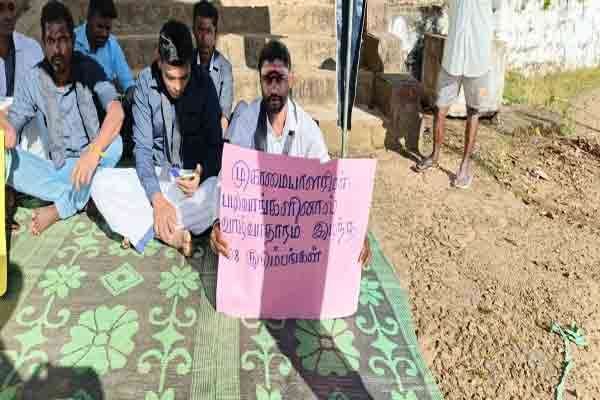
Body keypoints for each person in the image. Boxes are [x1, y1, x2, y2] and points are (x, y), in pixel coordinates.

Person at [209, 39, 371, 266]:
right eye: (268, 79)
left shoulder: (308, 129)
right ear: (260, 81)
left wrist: (354, 229)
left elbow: (329, 186)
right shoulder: (245, 122)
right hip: (254, 224)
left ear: (291, 80)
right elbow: (226, 179)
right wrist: (218, 222)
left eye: (281, 79)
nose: (274, 88)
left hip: (293, 228)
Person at [91, 20, 223, 256]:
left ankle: (148, 227)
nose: (177, 86)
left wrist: (202, 173)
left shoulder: (205, 83)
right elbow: (142, 151)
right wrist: (158, 199)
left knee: (221, 190)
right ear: (159, 61)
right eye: (170, 77)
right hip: (160, 176)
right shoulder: (144, 84)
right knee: (99, 183)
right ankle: (171, 230)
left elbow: (215, 146)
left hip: (194, 183)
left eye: (184, 77)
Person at [0, 0, 124, 235]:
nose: (57, 49)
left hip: (93, 159)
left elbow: (117, 111)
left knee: (115, 144)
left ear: (73, 40)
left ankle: (60, 208)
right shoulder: (33, 80)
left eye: (63, 39)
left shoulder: (89, 68)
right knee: (5, 160)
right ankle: (89, 196)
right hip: (56, 169)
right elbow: (10, 136)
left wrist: (93, 152)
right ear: (44, 43)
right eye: (51, 41)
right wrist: (2, 119)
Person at [414, 0, 502, 189]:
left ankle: (464, 166)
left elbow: (495, 7)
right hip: (453, 58)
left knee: (474, 112)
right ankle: (434, 156)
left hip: (478, 61)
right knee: (440, 108)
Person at [74, 0, 134, 95]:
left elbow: (127, 81)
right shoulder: (72, 42)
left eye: (108, 28)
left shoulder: (112, 43)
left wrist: (130, 92)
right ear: (89, 18)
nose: (104, 34)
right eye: (99, 27)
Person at [192, 0, 233, 135]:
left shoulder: (225, 68)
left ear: (216, 33)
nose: (204, 38)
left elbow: (224, 116)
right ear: (193, 31)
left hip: (214, 133)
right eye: (200, 30)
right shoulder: (186, 63)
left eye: (209, 31)